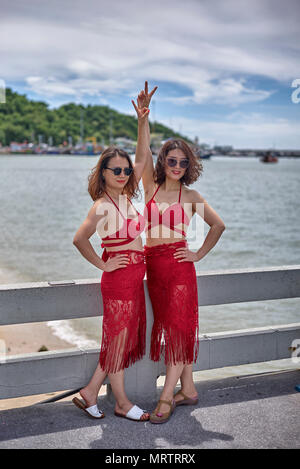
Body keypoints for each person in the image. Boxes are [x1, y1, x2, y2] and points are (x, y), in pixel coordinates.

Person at [134, 82, 226, 424]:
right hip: (154, 269)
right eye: (171, 160)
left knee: (177, 334)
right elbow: (140, 153)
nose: (176, 166)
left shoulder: (191, 196)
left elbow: (218, 226)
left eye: (182, 162)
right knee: (177, 330)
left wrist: (198, 254)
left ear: (188, 166)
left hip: (179, 269)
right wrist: (144, 119)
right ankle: (188, 388)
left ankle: (166, 397)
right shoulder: (150, 186)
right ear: (164, 162)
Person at [72, 87, 157, 422]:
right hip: (119, 279)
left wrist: (142, 121)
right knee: (117, 343)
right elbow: (79, 240)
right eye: (116, 171)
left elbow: (143, 156)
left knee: (118, 342)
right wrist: (103, 263)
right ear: (103, 173)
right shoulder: (102, 206)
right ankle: (118, 401)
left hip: (134, 279)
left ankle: (93, 393)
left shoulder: (127, 199)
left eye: (125, 171)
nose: (123, 175)